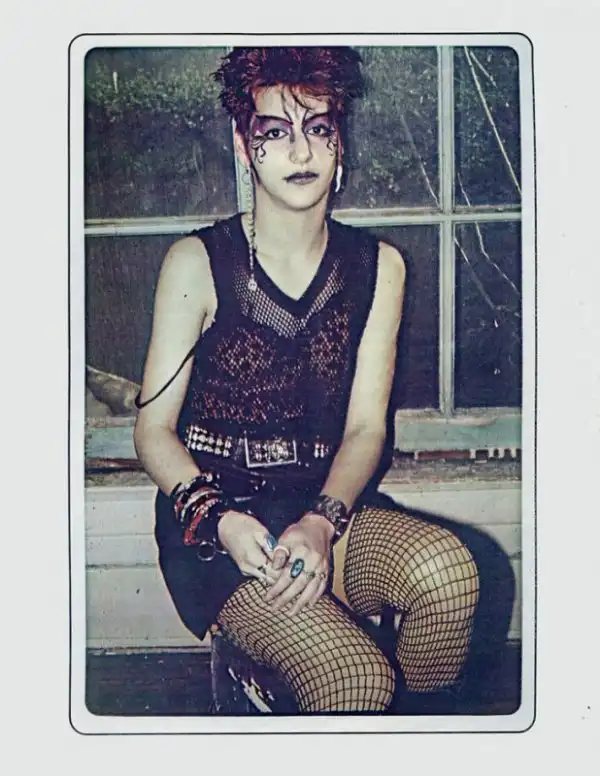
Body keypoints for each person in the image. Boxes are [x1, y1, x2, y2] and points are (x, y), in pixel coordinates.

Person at [133, 46, 480, 714]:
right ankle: (259, 667)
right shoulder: (197, 262)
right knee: (358, 684)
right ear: (245, 148)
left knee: (449, 574)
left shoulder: (379, 267)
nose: (300, 151)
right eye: (275, 131)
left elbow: (366, 428)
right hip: (221, 528)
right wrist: (217, 518)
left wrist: (322, 522)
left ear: (340, 144)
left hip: (322, 510)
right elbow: (152, 431)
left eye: (319, 128)